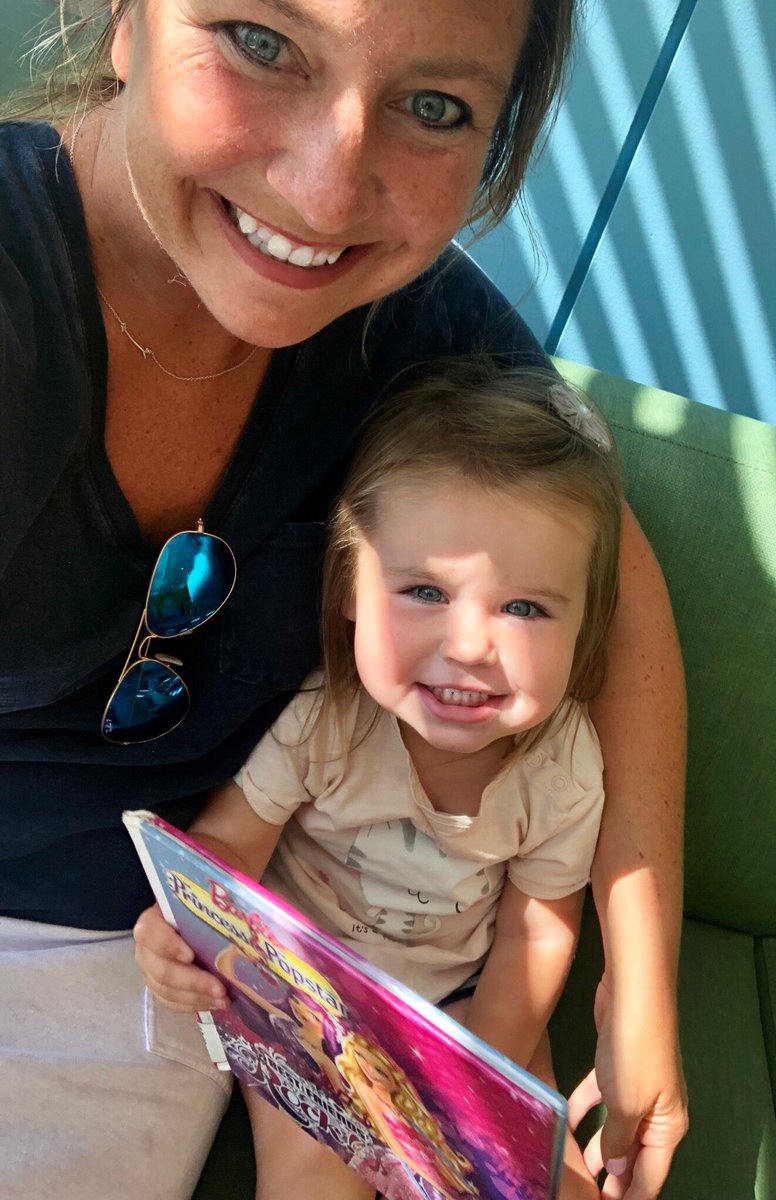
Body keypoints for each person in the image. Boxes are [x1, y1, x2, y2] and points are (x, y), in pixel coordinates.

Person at [0, 2, 687, 1198]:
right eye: (260, 42)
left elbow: (609, 581)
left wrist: (637, 983)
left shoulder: (420, 343)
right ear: (123, 20)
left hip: (147, 956)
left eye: (434, 107)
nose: (324, 190)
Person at [135, 358, 622, 1200]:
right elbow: (226, 847)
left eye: (526, 608)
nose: (471, 645)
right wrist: (174, 927)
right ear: (351, 588)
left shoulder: (565, 767)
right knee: (310, 1179)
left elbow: (536, 933)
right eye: (425, 590)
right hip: (306, 998)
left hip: (468, 1005)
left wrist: (469, 1085)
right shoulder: (329, 716)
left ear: (587, 628)